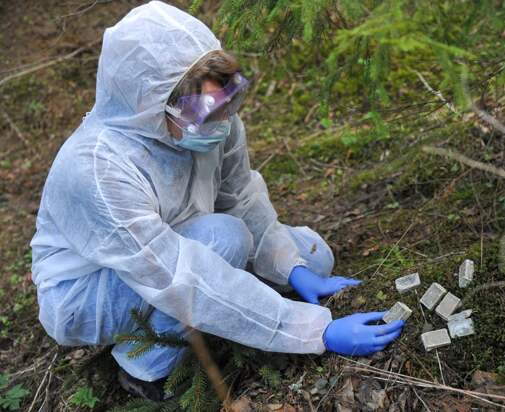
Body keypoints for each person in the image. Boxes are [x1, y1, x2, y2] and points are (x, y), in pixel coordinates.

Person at [30, 1, 404, 401]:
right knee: (224, 239)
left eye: (229, 103)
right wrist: (314, 330)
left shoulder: (212, 121)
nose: (223, 122)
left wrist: (291, 267)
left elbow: (240, 195)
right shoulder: (96, 169)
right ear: (150, 106)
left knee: (313, 258)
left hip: (184, 238)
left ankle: (244, 299)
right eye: (205, 112)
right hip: (86, 294)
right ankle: (143, 366)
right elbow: (176, 274)